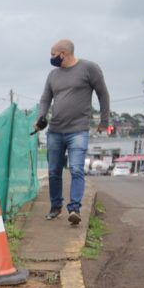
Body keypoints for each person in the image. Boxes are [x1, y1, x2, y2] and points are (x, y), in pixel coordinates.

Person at [35, 39, 110, 225]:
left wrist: (104, 121)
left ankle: (74, 208)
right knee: (54, 171)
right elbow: (45, 98)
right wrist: (41, 117)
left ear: (63, 54)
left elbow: (103, 94)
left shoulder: (89, 69)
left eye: (53, 54)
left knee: (76, 169)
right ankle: (55, 207)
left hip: (78, 130)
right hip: (55, 130)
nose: (51, 58)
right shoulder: (53, 75)